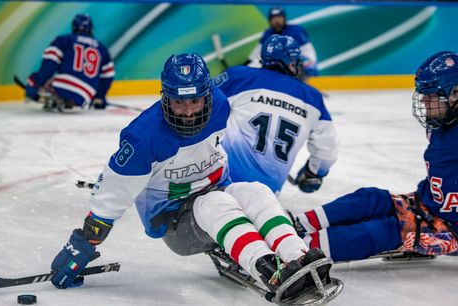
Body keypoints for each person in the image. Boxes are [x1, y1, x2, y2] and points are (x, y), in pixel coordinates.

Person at [49, 53, 332, 300]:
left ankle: (299, 256)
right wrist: (83, 244)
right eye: (178, 103)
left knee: (256, 190)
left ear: (208, 94)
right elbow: (111, 194)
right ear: (165, 96)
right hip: (173, 223)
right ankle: (270, 271)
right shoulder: (143, 138)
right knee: (214, 205)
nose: (187, 113)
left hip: (218, 191)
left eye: (195, 101)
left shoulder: (220, 104)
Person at [289, 51, 458, 262]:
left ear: (455, 94)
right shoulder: (441, 124)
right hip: (428, 202)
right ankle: (293, 228)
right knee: (370, 198)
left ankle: (294, 252)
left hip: (452, 227)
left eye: (431, 94)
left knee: (382, 231)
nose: (423, 100)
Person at [215, 34, 338, 194]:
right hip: (268, 193)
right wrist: (313, 173)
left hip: (220, 181)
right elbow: (327, 149)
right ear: (291, 61)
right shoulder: (313, 98)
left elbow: (199, 103)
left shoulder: (238, 76)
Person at [25, 13, 115, 111]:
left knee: (43, 81)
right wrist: (99, 96)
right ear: (91, 28)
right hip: (87, 93)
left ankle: (56, 96)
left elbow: (49, 65)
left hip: (62, 86)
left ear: (74, 26)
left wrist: (35, 81)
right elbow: (108, 77)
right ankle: (72, 100)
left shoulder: (64, 40)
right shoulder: (102, 48)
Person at [246, 6, 318, 78]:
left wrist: (308, 72)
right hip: (275, 73)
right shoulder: (267, 34)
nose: (276, 21)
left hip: (296, 73)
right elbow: (255, 56)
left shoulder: (296, 31)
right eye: (273, 18)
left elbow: (308, 55)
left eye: (279, 17)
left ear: (284, 18)